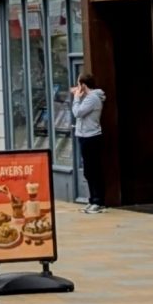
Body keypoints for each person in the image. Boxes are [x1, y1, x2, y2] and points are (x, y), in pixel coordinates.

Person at [68, 73, 105, 214]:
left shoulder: (93, 98)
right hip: (84, 136)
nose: (77, 88)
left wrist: (76, 98)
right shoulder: (88, 97)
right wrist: (78, 93)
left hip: (91, 137)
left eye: (79, 84)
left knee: (94, 170)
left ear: (83, 85)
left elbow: (78, 112)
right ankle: (92, 200)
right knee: (89, 171)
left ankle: (98, 201)